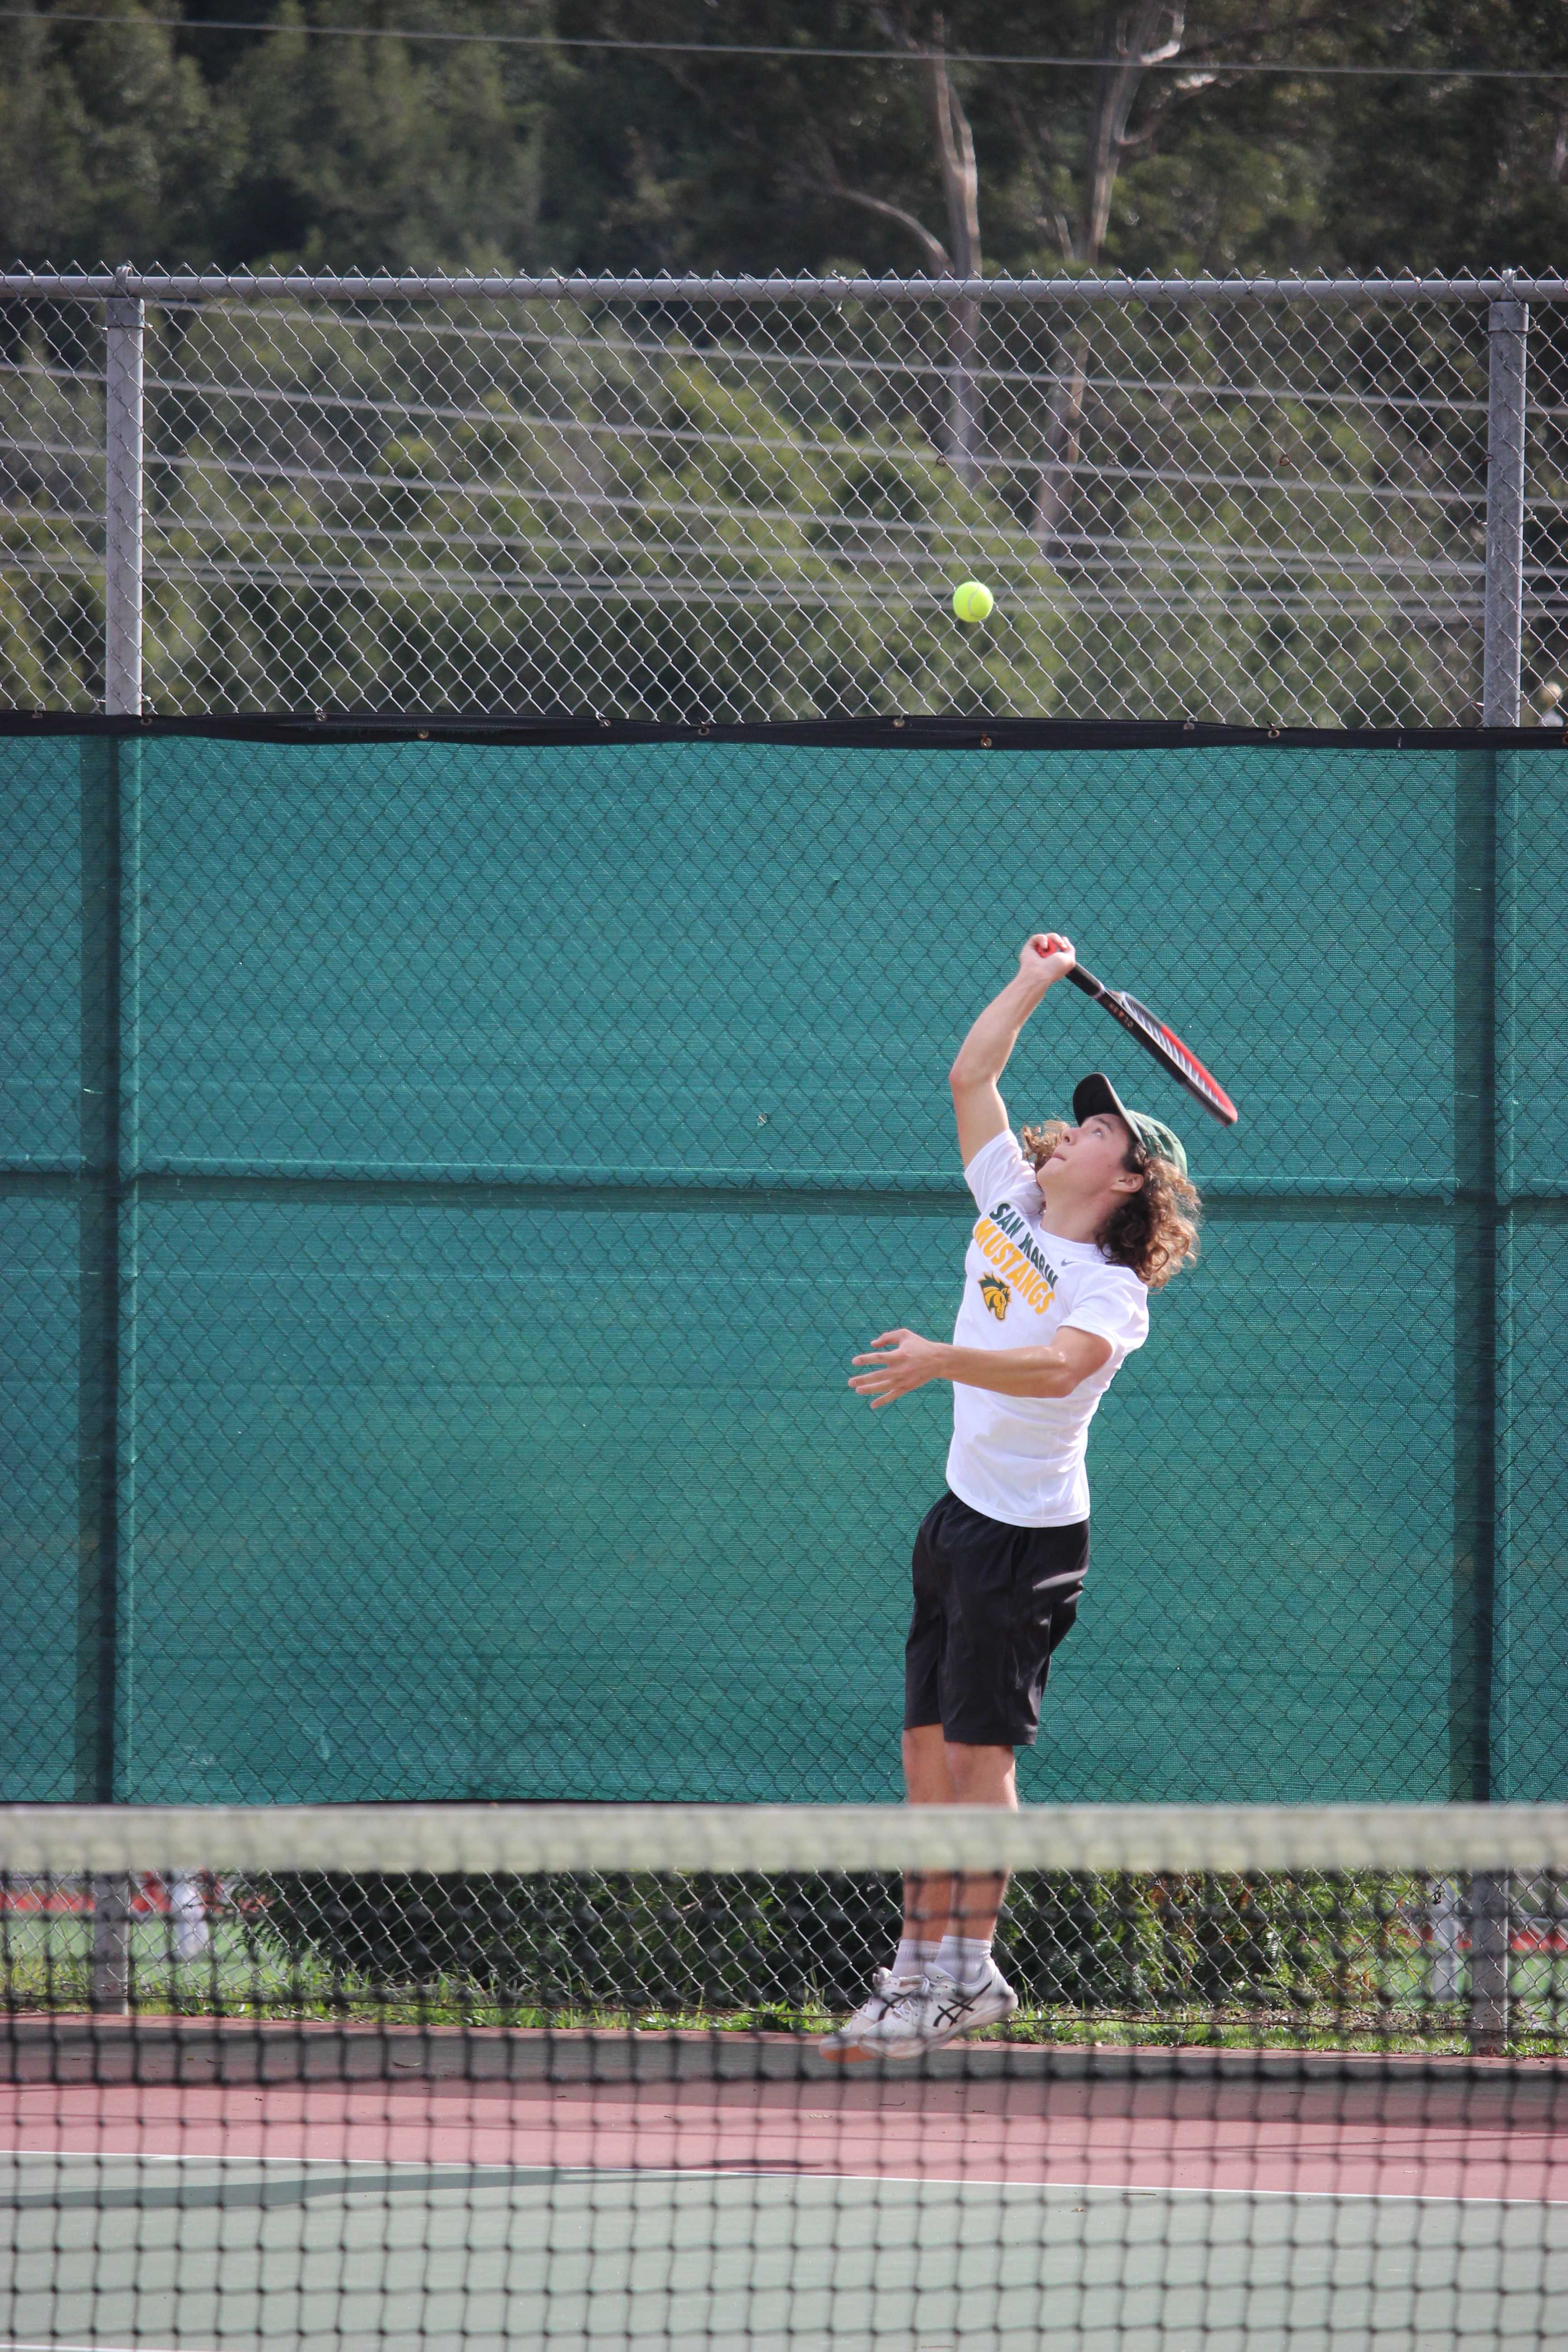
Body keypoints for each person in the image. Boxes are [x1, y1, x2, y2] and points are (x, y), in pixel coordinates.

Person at [823, 931, 1200, 2059]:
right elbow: (970, 1076)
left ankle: (971, 1972)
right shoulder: (1011, 1204)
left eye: (1096, 1129)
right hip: (956, 1522)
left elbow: (1054, 1368)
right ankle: (914, 1970)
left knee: (983, 1763)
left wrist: (944, 1358)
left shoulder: (1111, 1289)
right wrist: (1034, 980)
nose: (1070, 1128)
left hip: (1028, 1543)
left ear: (1128, 1178)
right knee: (924, 1754)